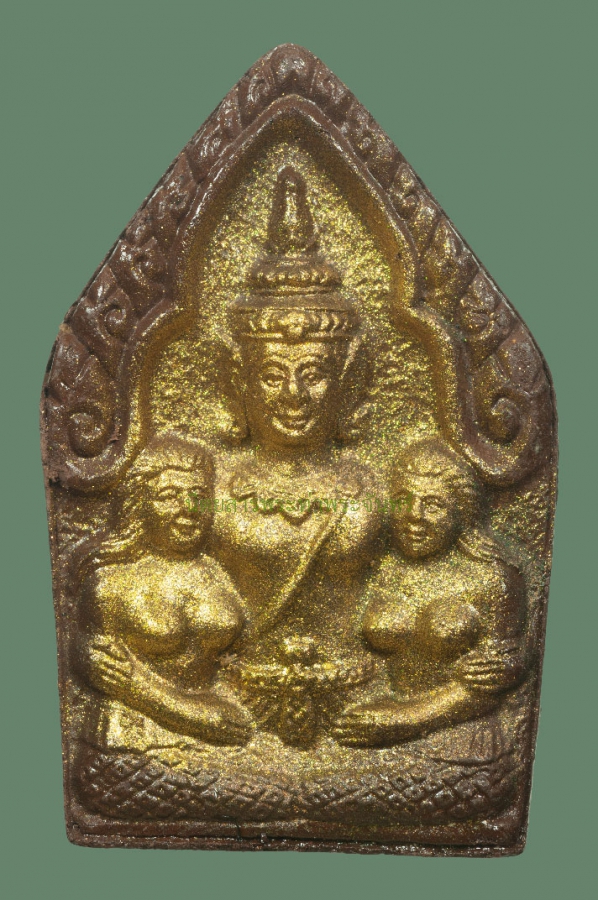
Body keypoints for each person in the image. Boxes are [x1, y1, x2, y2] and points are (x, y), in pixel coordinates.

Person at [334, 437, 528, 747]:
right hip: (362, 724)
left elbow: (494, 683)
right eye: (402, 500)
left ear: (462, 512)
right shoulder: (376, 566)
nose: (414, 514)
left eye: (434, 504)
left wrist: (405, 720)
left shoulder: (494, 578)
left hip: (460, 739)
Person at [75, 432, 252, 750]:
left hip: (224, 729)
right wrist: (196, 717)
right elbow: (105, 679)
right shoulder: (110, 584)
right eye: (169, 495)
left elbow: (246, 668)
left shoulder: (218, 573)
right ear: (140, 504)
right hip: (139, 742)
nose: (188, 508)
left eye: (199, 495)